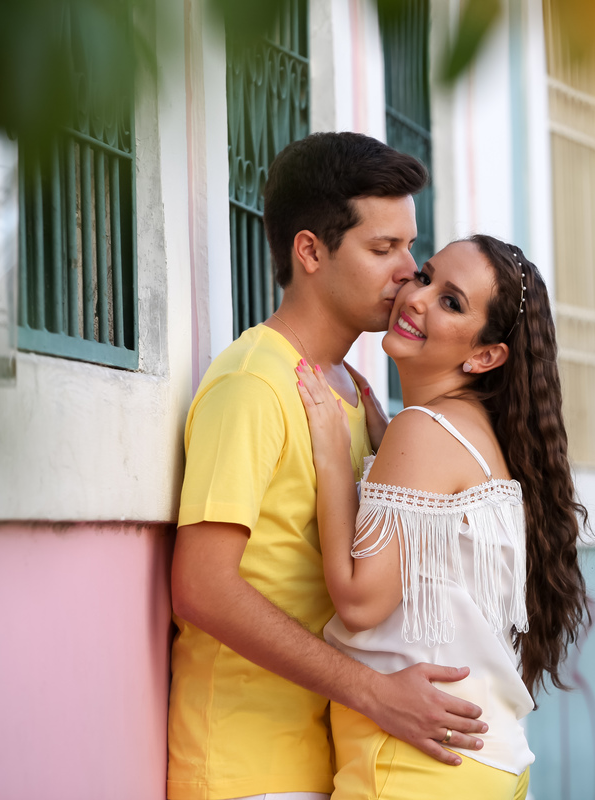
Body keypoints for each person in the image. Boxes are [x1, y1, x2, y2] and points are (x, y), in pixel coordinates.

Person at [168, 132, 489, 800]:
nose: (408, 270)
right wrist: (375, 693)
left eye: (410, 246)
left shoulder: (351, 391)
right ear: (310, 250)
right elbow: (200, 585)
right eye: (383, 249)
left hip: (329, 764)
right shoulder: (254, 383)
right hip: (244, 769)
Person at [294, 234, 590, 799]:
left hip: (415, 767)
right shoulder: (473, 433)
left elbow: (360, 602)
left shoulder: (424, 430)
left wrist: (334, 456)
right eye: (425, 276)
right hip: (487, 762)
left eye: (452, 302)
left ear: (484, 356)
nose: (418, 298)